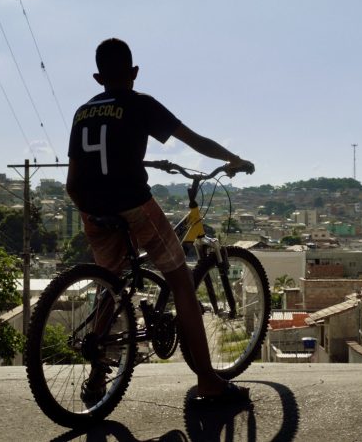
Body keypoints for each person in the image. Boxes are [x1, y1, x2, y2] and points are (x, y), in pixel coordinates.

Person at [66, 38, 254, 404]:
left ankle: (96, 376)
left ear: (97, 77)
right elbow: (195, 141)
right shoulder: (141, 105)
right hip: (134, 205)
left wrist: (89, 210)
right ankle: (208, 381)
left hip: (91, 209)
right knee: (182, 281)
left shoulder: (81, 113)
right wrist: (234, 159)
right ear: (134, 73)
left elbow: (72, 180)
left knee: (111, 285)